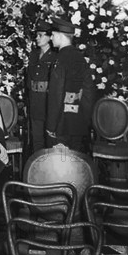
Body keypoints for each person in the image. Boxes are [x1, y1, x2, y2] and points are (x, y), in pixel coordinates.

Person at [45, 16, 96, 153]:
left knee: (59, 167)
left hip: (61, 124)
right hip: (77, 122)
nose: (51, 38)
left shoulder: (60, 59)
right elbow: (89, 91)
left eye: (53, 35)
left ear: (61, 36)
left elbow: (56, 94)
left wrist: (51, 126)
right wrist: (84, 118)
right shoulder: (80, 58)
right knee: (76, 165)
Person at [26, 20, 57, 153]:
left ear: (50, 37)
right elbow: (28, 80)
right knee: (37, 140)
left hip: (49, 103)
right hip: (35, 102)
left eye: (41, 35)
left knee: (51, 141)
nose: (37, 38)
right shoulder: (33, 55)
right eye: (37, 35)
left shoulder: (56, 56)